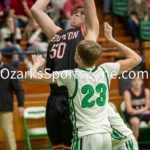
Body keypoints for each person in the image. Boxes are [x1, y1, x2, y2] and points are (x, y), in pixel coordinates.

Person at [27, 22, 141, 150]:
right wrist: (112, 40)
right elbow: (136, 58)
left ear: (78, 57)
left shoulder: (71, 76)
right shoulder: (106, 70)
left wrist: (37, 64)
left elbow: (30, 77)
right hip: (105, 134)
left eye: (75, 51)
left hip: (86, 135)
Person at [31, 0, 99, 149]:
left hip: (73, 96)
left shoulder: (88, 32)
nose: (77, 14)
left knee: (72, 146)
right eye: (75, 12)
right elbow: (36, 10)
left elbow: (90, 5)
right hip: (54, 96)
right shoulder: (56, 33)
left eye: (82, 13)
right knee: (57, 146)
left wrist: (86, 10)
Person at [0, 51, 24, 150]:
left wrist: (21, 105)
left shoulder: (10, 70)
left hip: (5, 109)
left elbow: (19, 89)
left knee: (9, 135)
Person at [124, 73, 150, 140]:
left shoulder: (146, 91)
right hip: (132, 115)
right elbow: (129, 110)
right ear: (131, 82)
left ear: (142, 81)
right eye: (134, 80)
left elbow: (147, 106)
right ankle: (134, 144)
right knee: (135, 122)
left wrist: (136, 111)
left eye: (138, 80)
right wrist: (143, 111)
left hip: (143, 113)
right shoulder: (127, 93)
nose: (136, 82)